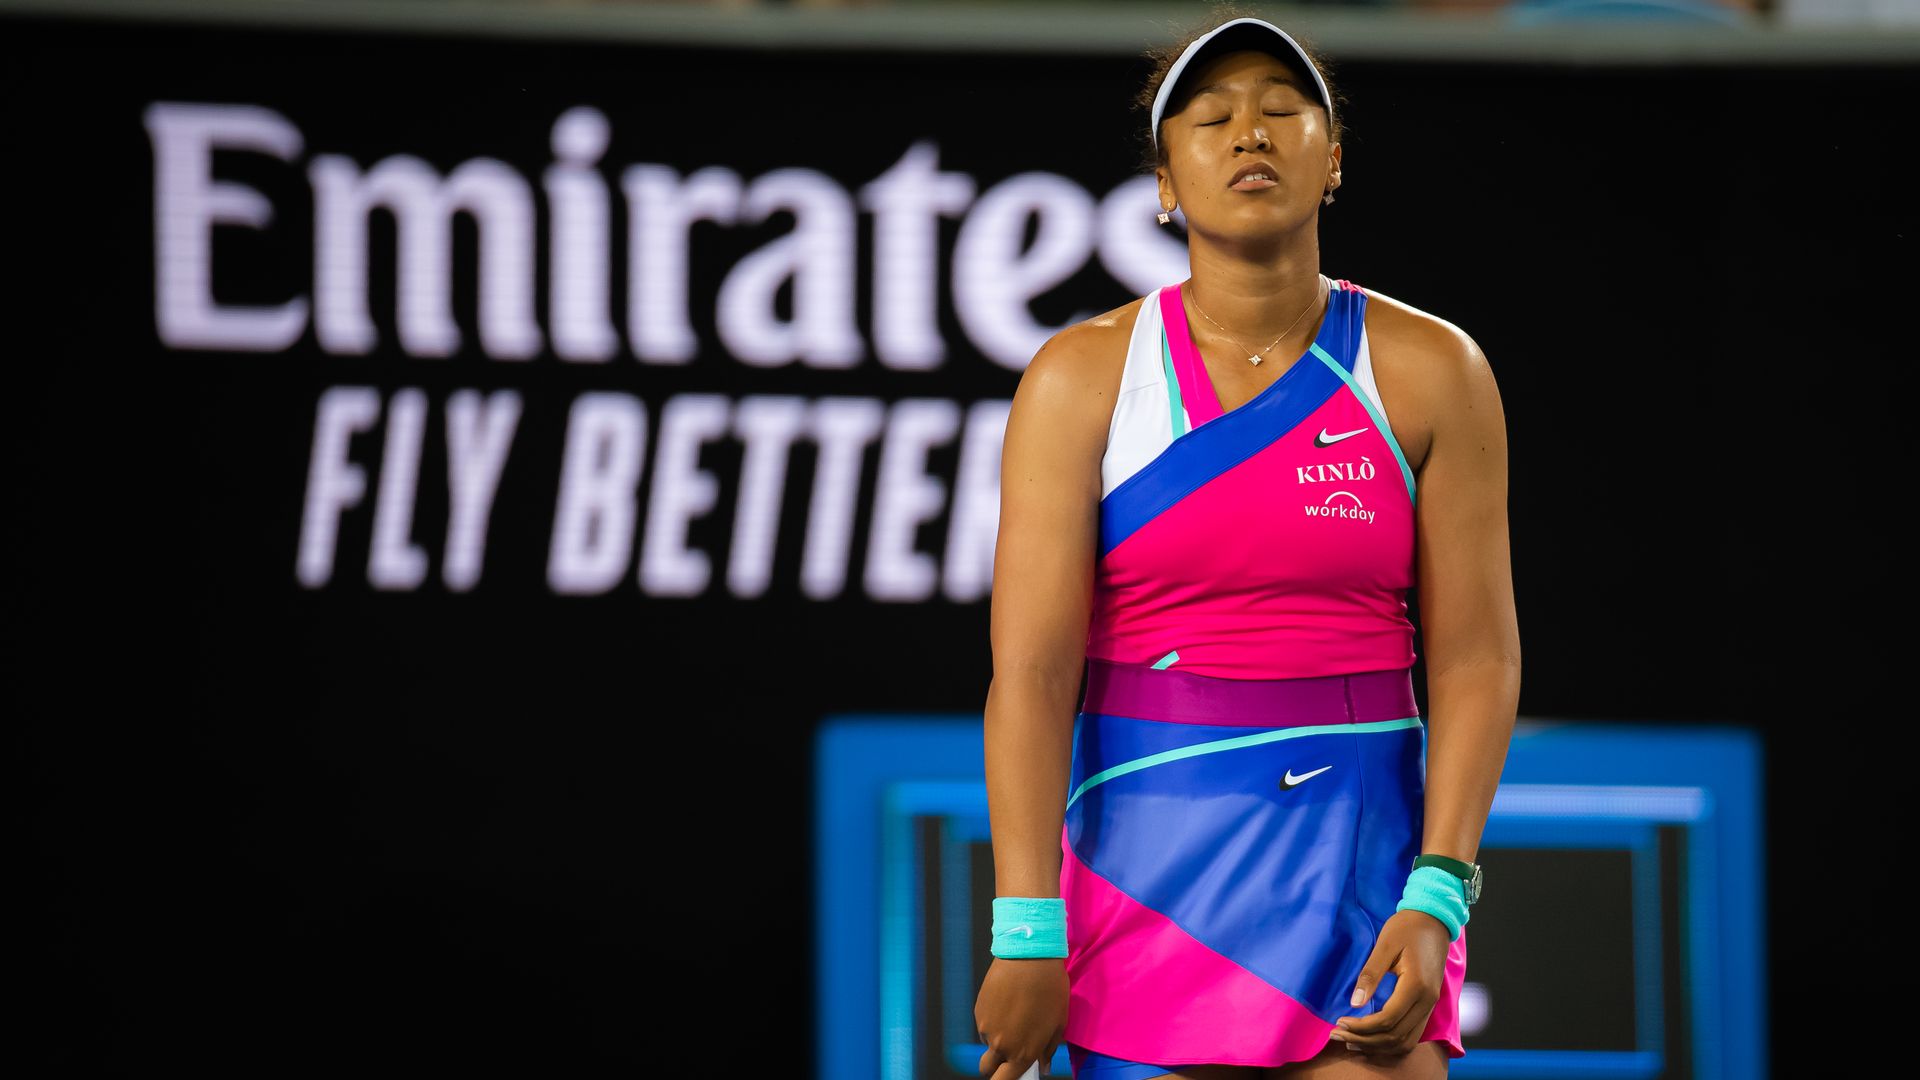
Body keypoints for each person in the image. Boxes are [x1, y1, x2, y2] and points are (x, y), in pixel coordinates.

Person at [973, 9, 1520, 1080]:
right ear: (1167, 184)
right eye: (1211, 116)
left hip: (1360, 873)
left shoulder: (1434, 370)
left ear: (1335, 162)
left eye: (1282, 110)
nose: (1250, 134)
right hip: (1142, 877)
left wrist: (1440, 892)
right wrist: (1027, 928)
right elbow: (1032, 675)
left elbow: (1477, 660)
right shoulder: (1079, 379)